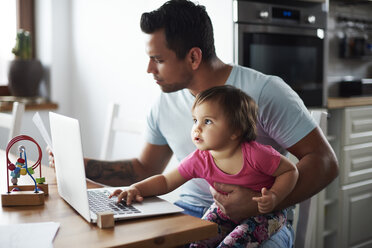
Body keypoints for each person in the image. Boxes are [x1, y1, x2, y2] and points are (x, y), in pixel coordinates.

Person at [49, 0, 338, 247]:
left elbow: (325, 162)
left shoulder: (264, 92)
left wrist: (262, 202)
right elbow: (144, 169)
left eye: (158, 60)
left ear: (194, 57)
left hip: (264, 220)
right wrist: (78, 164)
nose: (149, 69)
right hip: (188, 211)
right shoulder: (165, 101)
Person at [110, 85, 299, 247]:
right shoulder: (201, 158)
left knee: (232, 244)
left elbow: (290, 170)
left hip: (267, 215)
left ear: (236, 130)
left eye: (207, 121)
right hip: (224, 211)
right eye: (195, 120)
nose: (197, 128)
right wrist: (136, 188)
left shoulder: (257, 154)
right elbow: (167, 181)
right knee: (197, 241)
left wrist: (274, 197)